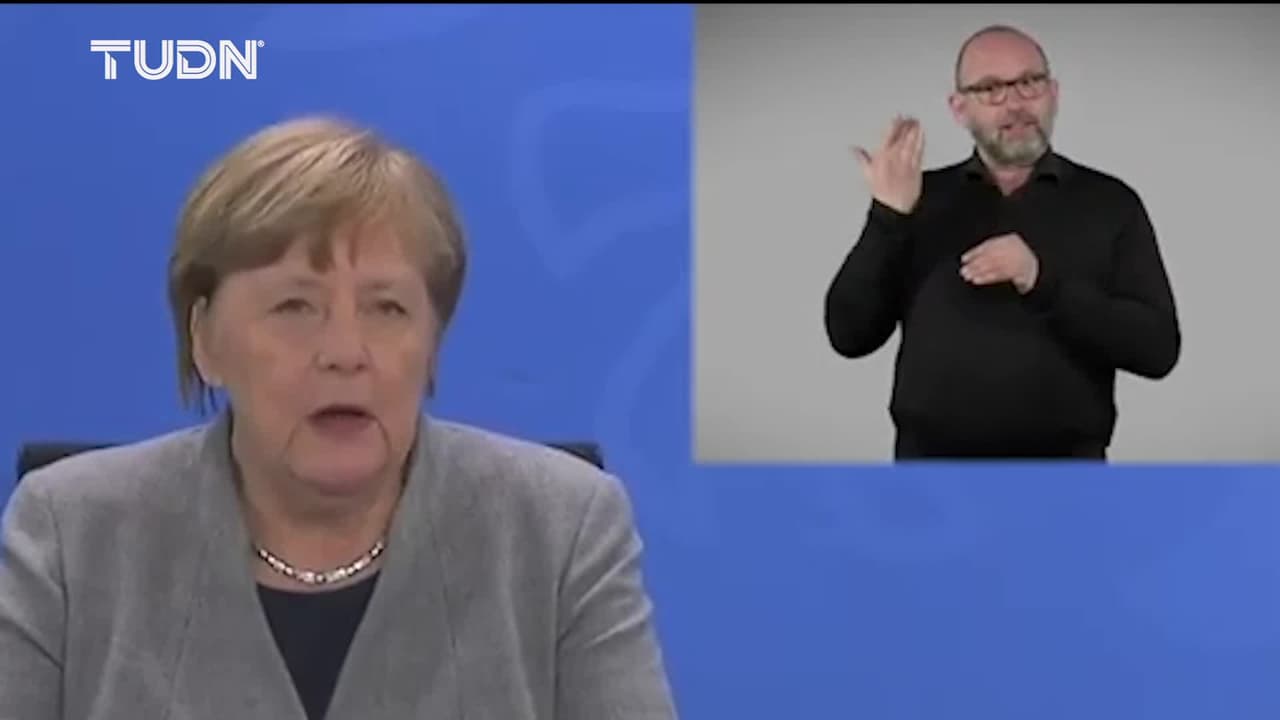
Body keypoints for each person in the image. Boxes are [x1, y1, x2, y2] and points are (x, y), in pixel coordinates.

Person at [0, 116, 678, 719]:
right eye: (296, 306)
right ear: (205, 340)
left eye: (387, 309)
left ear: (431, 342)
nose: (346, 353)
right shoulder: (71, 535)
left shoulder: (558, 530)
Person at [824, 24, 1181, 460]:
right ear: (959, 108)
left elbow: (1158, 350)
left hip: (1065, 478)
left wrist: (1041, 280)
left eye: (1029, 82)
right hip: (931, 478)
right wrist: (888, 218)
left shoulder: (1110, 203)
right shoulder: (918, 200)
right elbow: (849, 335)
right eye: (991, 89)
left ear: (1054, 93)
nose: (1015, 103)